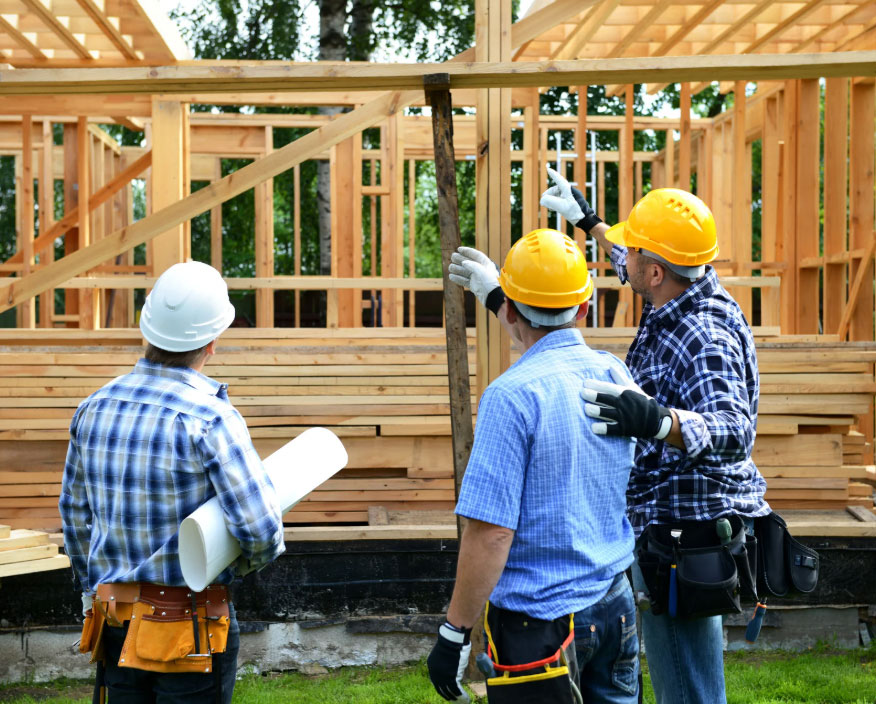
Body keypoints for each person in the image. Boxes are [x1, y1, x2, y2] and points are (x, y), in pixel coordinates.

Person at [539, 169, 771, 704]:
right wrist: (589, 221)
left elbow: (735, 432)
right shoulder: (675, 289)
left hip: (683, 536)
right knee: (682, 672)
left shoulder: (703, 334)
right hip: (665, 527)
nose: (627, 258)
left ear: (658, 271)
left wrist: (659, 422)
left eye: (636, 250)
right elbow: (629, 259)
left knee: (685, 684)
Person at [427, 228, 640, 704]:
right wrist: (499, 296)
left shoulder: (511, 397)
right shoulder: (613, 373)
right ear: (585, 308)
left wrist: (454, 631)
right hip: (614, 604)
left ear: (510, 309)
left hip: (540, 625)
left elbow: (491, 534)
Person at [59, 261, 286, 704]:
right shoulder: (210, 417)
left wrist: (92, 590)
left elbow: (74, 516)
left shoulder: (93, 408)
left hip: (115, 619)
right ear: (212, 341)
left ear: (147, 329)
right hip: (192, 628)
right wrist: (233, 565)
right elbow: (261, 531)